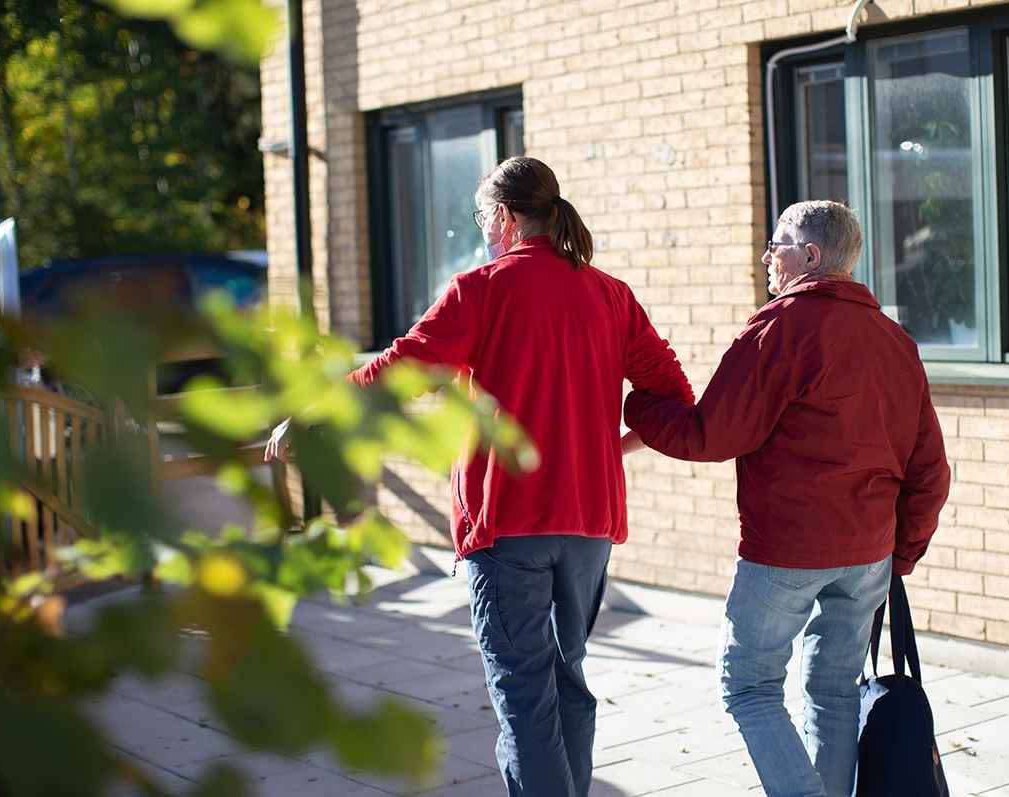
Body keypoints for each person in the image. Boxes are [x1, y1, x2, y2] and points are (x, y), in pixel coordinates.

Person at [271, 156, 693, 796]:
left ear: (503, 217)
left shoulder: (481, 289)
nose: (481, 230)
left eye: (479, 218)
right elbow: (674, 396)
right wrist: (614, 452)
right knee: (567, 681)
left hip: (509, 520)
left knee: (523, 692)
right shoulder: (610, 294)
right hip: (590, 521)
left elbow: (399, 369)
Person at [622, 201, 950, 797]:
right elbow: (931, 470)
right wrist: (898, 556)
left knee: (747, 684)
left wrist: (637, 405)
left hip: (788, 552)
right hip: (868, 555)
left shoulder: (780, 328)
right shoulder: (896, 341)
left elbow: (709, 435)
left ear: (810, 255)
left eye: (776, 245)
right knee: (833, 690)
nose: (766, 257)